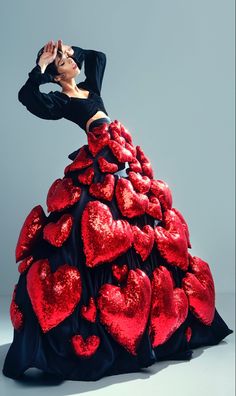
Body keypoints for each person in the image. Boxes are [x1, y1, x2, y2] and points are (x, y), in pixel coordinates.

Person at [2, 39, 233, 382]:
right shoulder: (62, 100)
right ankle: (95, 328)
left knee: (140, 232)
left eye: (68, 55)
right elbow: (27, 97)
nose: (72, 59)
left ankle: (151, 320)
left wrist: (65, 49)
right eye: (66, 60)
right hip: (99, 174)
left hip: (124, 170)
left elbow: (98, 58)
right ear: (55, 74)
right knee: (90, 235)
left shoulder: (88, 87)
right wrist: (42, 65)